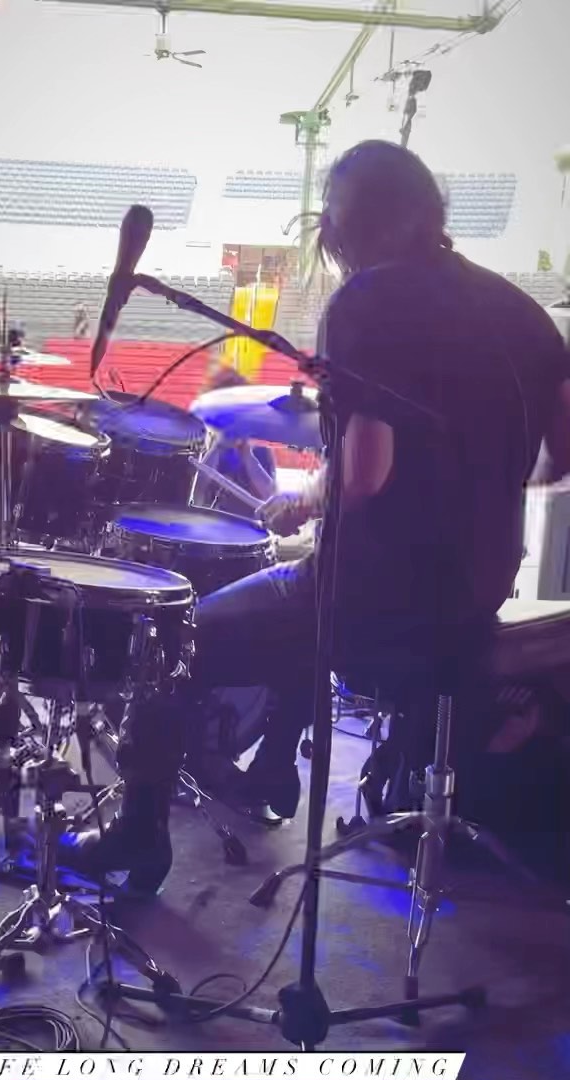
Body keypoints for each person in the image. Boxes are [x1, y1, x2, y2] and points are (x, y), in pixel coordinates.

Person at [73, 139, 570, 897]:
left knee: (171, 642)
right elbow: (560, 455)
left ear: (347, 222)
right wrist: (477, 481)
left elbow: (365, 472)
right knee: (293, 594)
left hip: (375, 600)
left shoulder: (368, 301)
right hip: (476, 593)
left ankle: (138, 837)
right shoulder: (524, 314)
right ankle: (274, 767)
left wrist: (308, 497)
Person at [190, 367, 278, 514]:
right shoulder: (202, 451)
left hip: (248, 525)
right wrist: (217, 449)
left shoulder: (261, 453)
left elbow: (269, 497)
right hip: (209, 523)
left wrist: (248, 457)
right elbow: (197, 492)